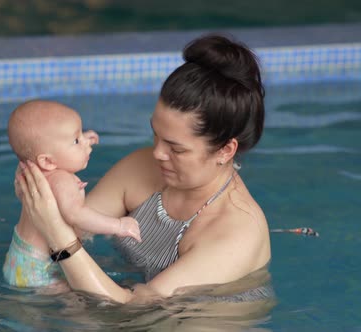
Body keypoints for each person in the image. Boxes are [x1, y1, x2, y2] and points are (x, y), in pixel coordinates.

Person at [15, 33, 272, 303]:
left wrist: (56, 235)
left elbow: (130, 310)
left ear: (225, 150)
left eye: (176, 148)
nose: (158, 153)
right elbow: (74, 228)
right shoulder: (142, 167)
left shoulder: (237, 232)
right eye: (155, 135)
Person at [4, 100, 141, 288]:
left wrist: (81, 139)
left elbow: (54, 144)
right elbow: (76, 215)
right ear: (47, 161)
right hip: (39, 271)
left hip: (19, 258)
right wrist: (118, 225)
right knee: (76, 301)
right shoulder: (61, 180)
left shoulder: (28, 170)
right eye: (76, 141)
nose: (86, 143)